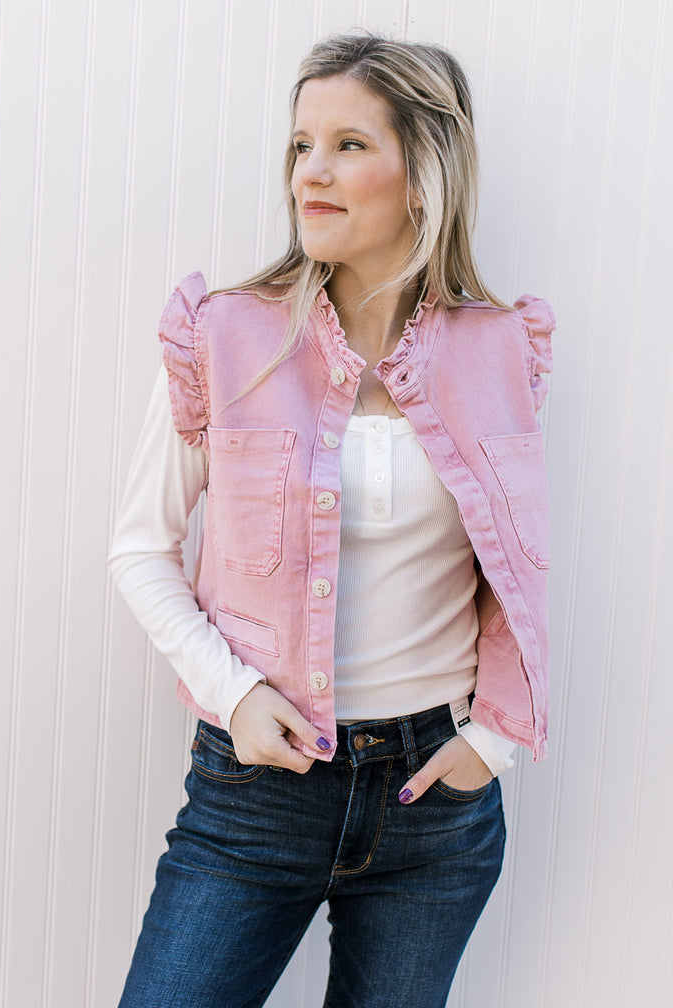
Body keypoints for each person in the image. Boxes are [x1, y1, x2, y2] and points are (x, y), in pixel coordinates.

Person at [109, 31, 554, 1008]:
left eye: (350, 145)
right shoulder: (225, 337)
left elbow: (518, 568)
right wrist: (230, 695)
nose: (312, 172)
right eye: (301, 145)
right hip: (256, 792)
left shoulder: (501, 348)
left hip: (434, 804)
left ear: (425, 170)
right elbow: (140, 547)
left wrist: (497, 740)